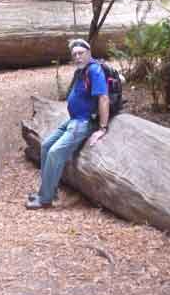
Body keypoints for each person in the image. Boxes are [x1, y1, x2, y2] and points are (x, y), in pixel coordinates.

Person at [26, 38, 109, 210]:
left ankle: (45, 199)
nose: (77, 57)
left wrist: (102, 128)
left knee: (55, 152)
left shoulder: (94, 70)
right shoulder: (81, 71)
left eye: (81, 53)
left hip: (84, 122)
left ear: (89, 53)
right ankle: (48, 191)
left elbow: (103, 98)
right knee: (46, 146)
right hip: (73, 120)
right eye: (74, 54)